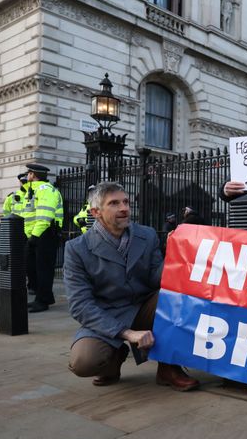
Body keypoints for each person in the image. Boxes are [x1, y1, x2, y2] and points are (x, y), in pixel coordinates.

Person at [63, 181, 199, 391]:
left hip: (144, 306)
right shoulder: (77, 249)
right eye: (114, 203)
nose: (124, 208)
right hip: (109, 314)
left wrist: (173, 252)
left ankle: (168, 368)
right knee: (84, 362)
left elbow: (157, 280)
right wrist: (126, 333)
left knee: (174, 298)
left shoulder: (147, 234)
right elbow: (80, 306)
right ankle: (113, 359)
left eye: (126, 201)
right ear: (96, 212)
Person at [24, 163, 64, 313]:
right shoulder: (34, 190)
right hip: (38, 233)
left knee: (43, 269)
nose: (27, 175)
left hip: (44, 233)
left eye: (28, 173)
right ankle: (45, 296)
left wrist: (34, 236)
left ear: (33, 175)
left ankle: (42, 301)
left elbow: (45, 215)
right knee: (35, 267)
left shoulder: (45, 190)